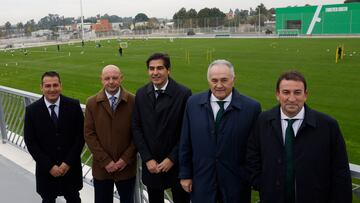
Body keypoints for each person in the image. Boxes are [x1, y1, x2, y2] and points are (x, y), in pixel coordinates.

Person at [246, 71, 352, 203]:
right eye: (286, 92)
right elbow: (252, 156)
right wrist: (262, 184)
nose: (291, 98)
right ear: (277, 95)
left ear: (305, 95)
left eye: (297, 92)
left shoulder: (328, 126)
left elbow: (340, 171)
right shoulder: (263, 120)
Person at [179, 59, 261, 203]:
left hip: (236, 183)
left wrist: (250, 176)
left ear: (233, 80)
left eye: (224, 80)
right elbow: (186, 141)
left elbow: (255, 149)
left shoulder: (252, 108)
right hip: (202, 180)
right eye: (214, 80)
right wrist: (185, 174)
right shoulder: (192, 103)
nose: (219, 85)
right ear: (208, 81)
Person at [132, 53, 191, 203]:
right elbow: (136, 128)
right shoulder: (141, 94)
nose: (155, 72)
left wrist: (172, 158)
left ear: (168, 70)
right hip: (151, 165)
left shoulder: (183, 93)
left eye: (160, 68)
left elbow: (186, 132)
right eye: (151, 69)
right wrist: (147, 158)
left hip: (176, 165)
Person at [24, 71, 84, 203]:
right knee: (48, 199)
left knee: (74, 199)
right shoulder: (32, 110)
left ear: (61, 86)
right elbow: (30, 141)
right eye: (48, 86)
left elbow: (80, 137)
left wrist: (67, 163)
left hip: (71, 170)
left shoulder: (74, 105)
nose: (52, 89)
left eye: (55, 85)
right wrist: (49, 166)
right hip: (46, 171)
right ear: (41, 87)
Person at [84, 64, 136, 203]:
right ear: (101, 79)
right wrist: (106, 161)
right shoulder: (92, 102)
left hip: (126, 168)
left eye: (115, 77)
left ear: (121, 78)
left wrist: (125, 159)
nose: (111, 81)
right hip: (102, 169)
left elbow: (137, 134)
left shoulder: (133, 101)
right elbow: (89, 134)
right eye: (107, 78)